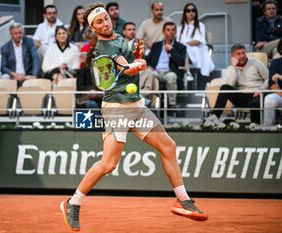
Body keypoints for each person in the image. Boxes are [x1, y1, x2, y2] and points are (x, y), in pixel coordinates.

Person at [60, 3, 208, 231]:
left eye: (106, 18)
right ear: (93, 28)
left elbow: (130, 60)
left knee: (168, 147)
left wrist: (138, 54)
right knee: (109, 164)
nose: (105, 23)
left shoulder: (118, 36)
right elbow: (124, 68)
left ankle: (183, 199)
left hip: (136, 105)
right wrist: (135, 65)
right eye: (99, 22)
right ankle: (73, 202)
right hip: (117, 108)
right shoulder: (102, 49)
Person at [212, 43, 268, 124]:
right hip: (241, 96)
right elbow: (229, 85)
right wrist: (233, 67)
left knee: (255, 103)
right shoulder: (231, 68)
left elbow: (268, 77)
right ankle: (213, 118)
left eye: (243, 53)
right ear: (233, 56)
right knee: (224, 87)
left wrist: (262, 89)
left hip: (256, 93)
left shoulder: (255, 62)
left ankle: (255, 127)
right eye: (238, 54)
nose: (242, 55)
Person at [146, 21, 187, 107]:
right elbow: (148, 60)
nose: (171, 32)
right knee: (149, 74)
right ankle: (148, 103)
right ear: (163, 32)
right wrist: (149, 66)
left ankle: (172, 105)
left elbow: (181, 62)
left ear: (175, 32)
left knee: (171, 77)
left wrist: (172, 50)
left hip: (170, 72)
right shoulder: (156, 45)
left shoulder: (180, 47)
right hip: (156, 71)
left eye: (173, 30)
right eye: (168, 30)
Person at [176, 3, 214, 77]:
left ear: (195, 13)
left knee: (186, 50)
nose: (191, 12)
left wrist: (184, 45)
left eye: (193, 10)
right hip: (182, 49)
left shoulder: (201, 25)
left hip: (197, 48)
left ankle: (188, 72)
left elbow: (197, 41)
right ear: (185, 13)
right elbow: (178, 42)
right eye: (188, 10)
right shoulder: (180, 27)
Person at [264, 39, 282, 126]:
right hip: (281, 94)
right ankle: (268, 128)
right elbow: (271, 84)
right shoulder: (276, 62)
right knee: (269, 99)